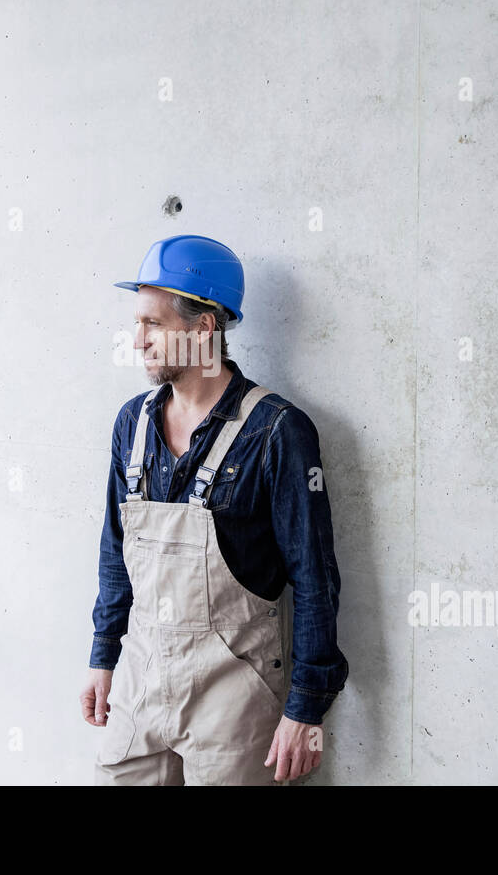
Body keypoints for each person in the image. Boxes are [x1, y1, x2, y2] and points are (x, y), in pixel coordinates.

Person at [80, 234, 348, 785]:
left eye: (153, 324)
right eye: (138, 323)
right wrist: (103, 656)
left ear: (204, 328)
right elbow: (115, 551)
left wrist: (304, 708)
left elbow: (315, 578)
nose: (138, 341)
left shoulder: (276, 431)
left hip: (235, 696)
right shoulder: (131, 425)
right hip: (141, 683)